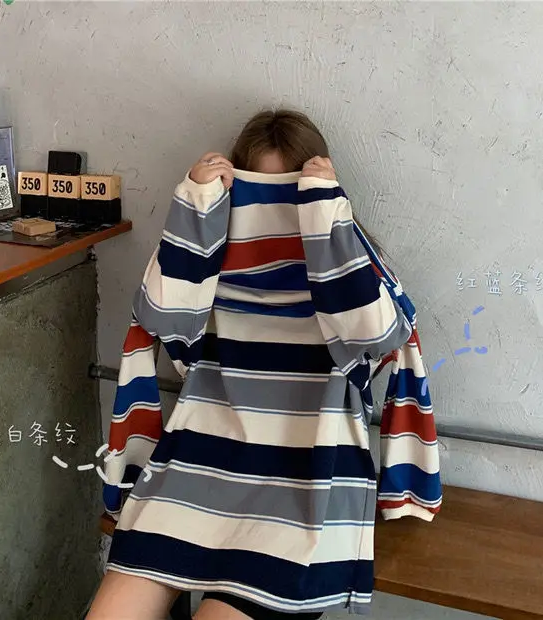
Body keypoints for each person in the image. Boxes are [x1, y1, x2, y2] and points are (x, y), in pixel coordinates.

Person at [88, 110, 441, 620]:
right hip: (202, 464)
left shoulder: (350, 258)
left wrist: (326, 216)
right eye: (259, 191)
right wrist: (195, 205)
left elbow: (379, 334)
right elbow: (160, 316)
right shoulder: (208, 253)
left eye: (290, 191)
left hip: (309, 477)